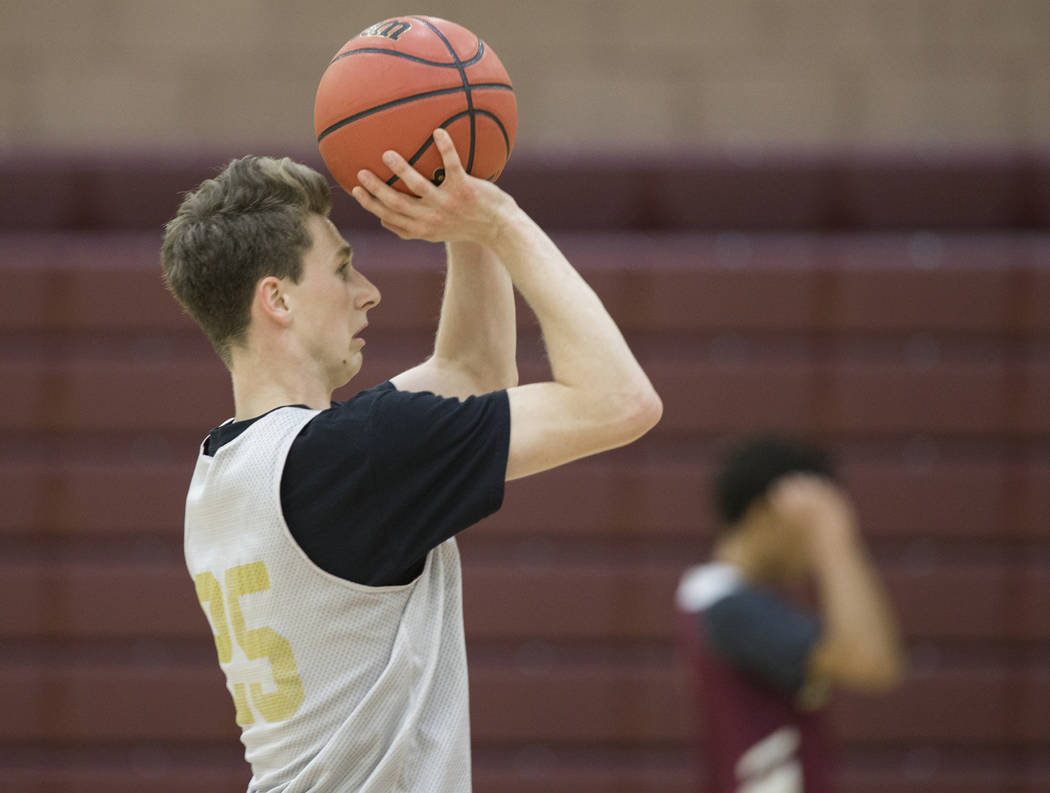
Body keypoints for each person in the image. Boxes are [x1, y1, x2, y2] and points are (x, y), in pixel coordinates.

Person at [160, 128, 661, 793]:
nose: (367, 291)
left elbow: (472, 368)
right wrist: (501, 223)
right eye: (341, 268)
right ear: (276, 299)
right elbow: (621, 400)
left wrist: (462, 213)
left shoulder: (222, 469)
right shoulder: (355, 455)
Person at [675, 436, 903, 793]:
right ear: (765, 513)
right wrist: (834, 538)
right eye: (807, 521)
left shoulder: (722, 601)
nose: (811, 544)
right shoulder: (731, 608)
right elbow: (870, 661)